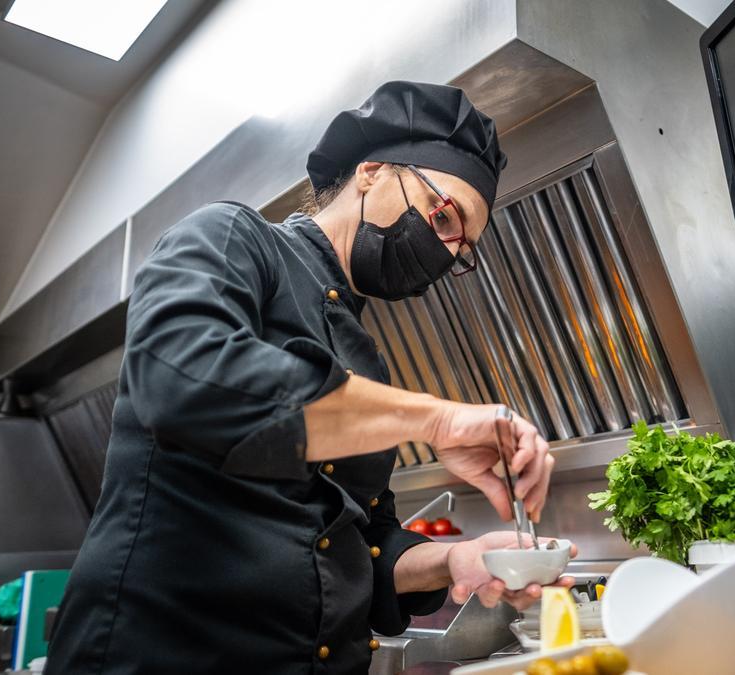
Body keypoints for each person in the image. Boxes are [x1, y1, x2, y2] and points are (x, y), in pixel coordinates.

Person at [46, 81, 570, 675]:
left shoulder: (367, 362)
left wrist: (457, 561)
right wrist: (441, 417)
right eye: (444, 216)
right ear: (371, 171)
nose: (448, 252)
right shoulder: (234, 239)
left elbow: (357, 546)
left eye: (463, 248)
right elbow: (183, 378)